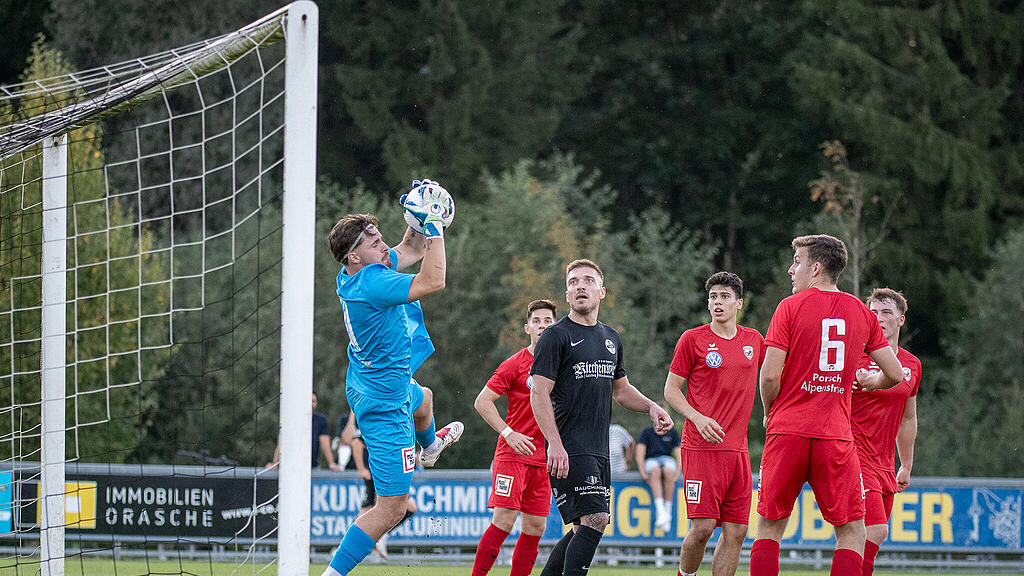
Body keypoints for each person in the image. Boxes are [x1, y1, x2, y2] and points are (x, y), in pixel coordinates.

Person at [322, 180, 464, 576]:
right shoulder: (372, 282)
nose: (384, 246)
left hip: (381, 384)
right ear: (354, 256)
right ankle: (332, 574)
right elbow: (433, 279)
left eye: (382, 236)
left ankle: (430, 447)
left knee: (428, 400)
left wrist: (415, 220)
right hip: (385, 408)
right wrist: (434, 226)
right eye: (374, 243)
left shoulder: (356, 273)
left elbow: (411, 249)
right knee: (390, 508)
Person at [752, 234, 904, 576]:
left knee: (770, 528)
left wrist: (767, 412)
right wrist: (873, 381)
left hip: (788, 430)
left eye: (797, 262)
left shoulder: (789, 307)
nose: (792, 270)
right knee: (851, 532)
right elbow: (895, 373)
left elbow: (769, 376)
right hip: (835, 436)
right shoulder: (860, 312)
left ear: (816, 267)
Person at [530, 258, 673, 576]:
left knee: (585, 527)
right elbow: (538, 393)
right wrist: (554, 443)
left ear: (602, 291)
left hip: (599, 450)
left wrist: (651, 406)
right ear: (567, 294)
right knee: (596, 520)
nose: (580, 286)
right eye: (573, 282)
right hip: (569, 447)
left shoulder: (611, 338)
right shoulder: (555, 337)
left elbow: (621, 390)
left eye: (588, 280)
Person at [664, 271, 765, 576]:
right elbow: (671, 390)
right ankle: (686, 575)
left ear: (739, 303)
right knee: (703, 528)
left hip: (738, 452)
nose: (718, 302)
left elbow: (777, 374)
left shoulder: (754, 340)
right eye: (713, 297)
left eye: (724, 297)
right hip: (701, 447)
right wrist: (696, 416)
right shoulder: (692, 340)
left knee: (736, 532)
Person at [471, 299, 558, 576]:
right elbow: (482, 401)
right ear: (527, 327)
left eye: (548, 321)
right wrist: (508, 433)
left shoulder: (564, 365)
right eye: (537, 321)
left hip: (545, 459)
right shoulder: (515, 364)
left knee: (535, 528)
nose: (542, 326)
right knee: (504, 521)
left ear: (556, 327)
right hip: (514, 455)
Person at [851, 288, 921, 576]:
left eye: (886, 312)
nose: (878, 318)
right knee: (876, 530)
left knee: (863, 541)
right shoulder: (853, 355)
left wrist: (905, 464)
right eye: (873, 312)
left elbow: (908, 418)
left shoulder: (911, 364)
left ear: (901, 319)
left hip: (884, 464)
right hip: (852, 455)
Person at [349, 423, 417, 560]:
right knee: (375, 510)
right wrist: (361, 468)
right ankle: (355, 545)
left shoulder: (396, 423)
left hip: (386, 472)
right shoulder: (375, 422)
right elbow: (356, 443)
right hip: (378, 472)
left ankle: (372, 539)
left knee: (371, 510)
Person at [265, 391, 340, 471]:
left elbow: (325, 444)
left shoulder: (321, 420)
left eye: (313, 401)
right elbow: (281, 443)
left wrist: (332, 464)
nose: (311, 404)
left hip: (312, 467)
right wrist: (275, 463)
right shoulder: (290, 418)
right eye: (308, 400)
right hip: (291, 466)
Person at [635, 402, 681, 532]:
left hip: (666, 459)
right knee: (655, 470)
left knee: (668, 471)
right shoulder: (647, 432)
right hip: (652, 460)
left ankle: (667, 511)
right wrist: (643, 471)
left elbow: (679, 454)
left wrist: (678, 471)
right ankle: (661, 511)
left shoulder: (673, 433)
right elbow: (640, 453)